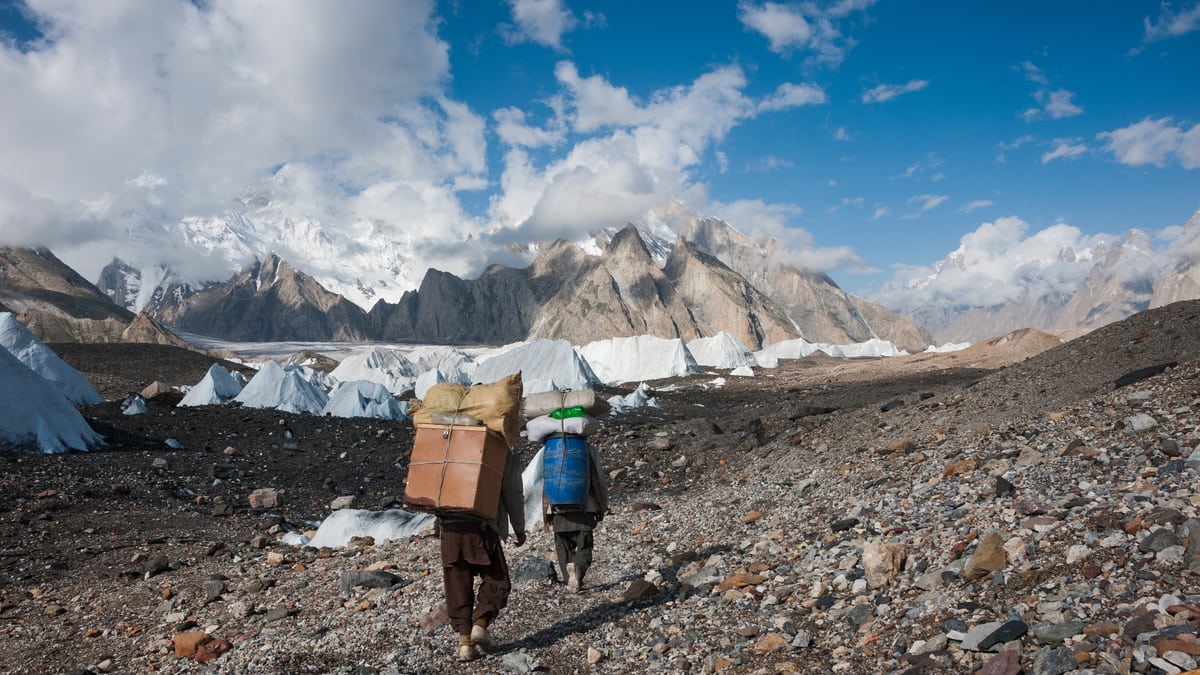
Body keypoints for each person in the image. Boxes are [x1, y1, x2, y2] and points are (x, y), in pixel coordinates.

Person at [438, 450, 527, 662]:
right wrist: (519, 528)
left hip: (450, 528)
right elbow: (512, 492)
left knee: (457, 586)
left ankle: (464, 644)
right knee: (497, 579)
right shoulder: (498, 448)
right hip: (482, 526)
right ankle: (480, 625)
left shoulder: (447, 447)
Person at [544, 442, 608, 594]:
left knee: (564, 550)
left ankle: (570, 581)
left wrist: (547, 512)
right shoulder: (588, 449)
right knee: (584, 548)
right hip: (584, 509)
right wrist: (601, 506)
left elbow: (545, 481)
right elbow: (598, 479)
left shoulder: (549, 448)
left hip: (558, 510)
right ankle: (577, 569)